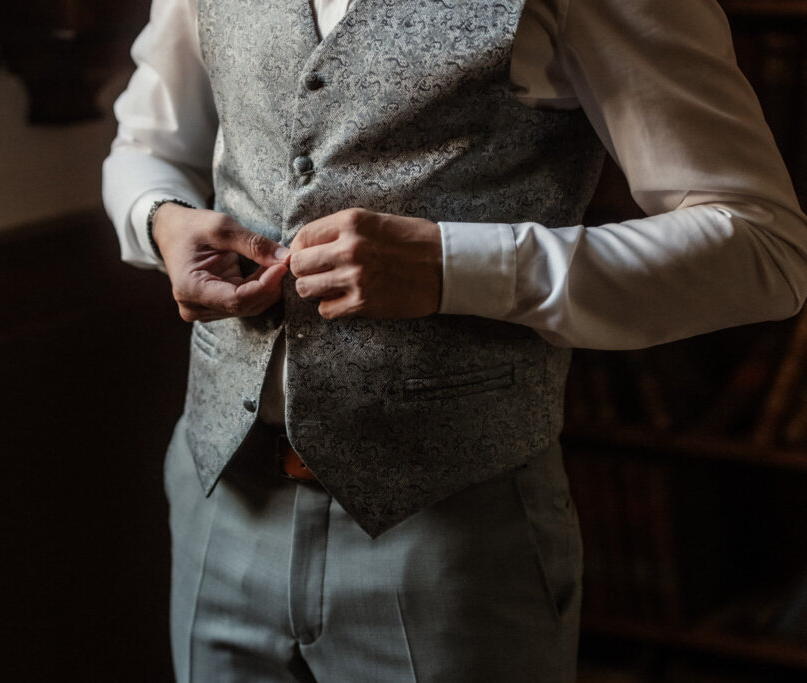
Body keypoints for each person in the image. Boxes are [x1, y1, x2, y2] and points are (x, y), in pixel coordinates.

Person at [103, 0, 807, 680]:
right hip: (218, 492)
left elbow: (761, 247)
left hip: (453, 534)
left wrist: (454, 267)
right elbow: (147, 141)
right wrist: (159, 220)